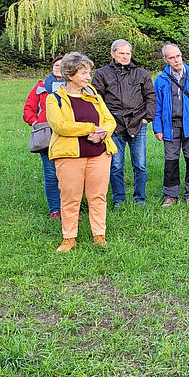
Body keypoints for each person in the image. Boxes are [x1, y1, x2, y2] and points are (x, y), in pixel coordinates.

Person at [45, 52, 117, 252]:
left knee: (98, 196)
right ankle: (69, 238)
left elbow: (110, 121)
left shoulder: (94, 95)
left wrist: (102, 134)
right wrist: (91, 129)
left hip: (100, 153)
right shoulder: (54, 99)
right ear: (70, 74)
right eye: (83, 73)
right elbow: (60, 126)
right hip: (69, 157)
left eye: (89, 72)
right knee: (70, 197)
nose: (88, 77)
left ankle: (99, 235)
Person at [91, 39, 156, 208]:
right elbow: (95, 99)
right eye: (121, 53)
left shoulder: (141, 73)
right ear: (113, 54)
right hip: (115, 125)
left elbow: (150, 96)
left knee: (140, 164)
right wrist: (105, 122)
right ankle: (119, 199)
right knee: (116, 165)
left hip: (138, 123)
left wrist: (147, 117)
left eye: (128, 53)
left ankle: (140, 198)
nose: (125, 56)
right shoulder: (102, 74)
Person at [153, 43, 189, 206]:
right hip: (170, 126)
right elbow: (157, 104)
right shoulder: (161, 79)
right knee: (171, 161)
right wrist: (158, 128)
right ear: (165, 60)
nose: (176, 60)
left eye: (178, 56)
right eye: (172, 57)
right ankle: (170, 195)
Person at [24, 54, 64, 219]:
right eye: (56, 65)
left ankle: (70, 210)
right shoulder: (41, 86)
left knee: (70, 174)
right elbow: (28, 109)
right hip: (47, 135)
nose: (58, 68)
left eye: (62, 65)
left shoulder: (75, 86)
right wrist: (35, 122)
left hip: (69, 135)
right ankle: (55, 209)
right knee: (50, 173)